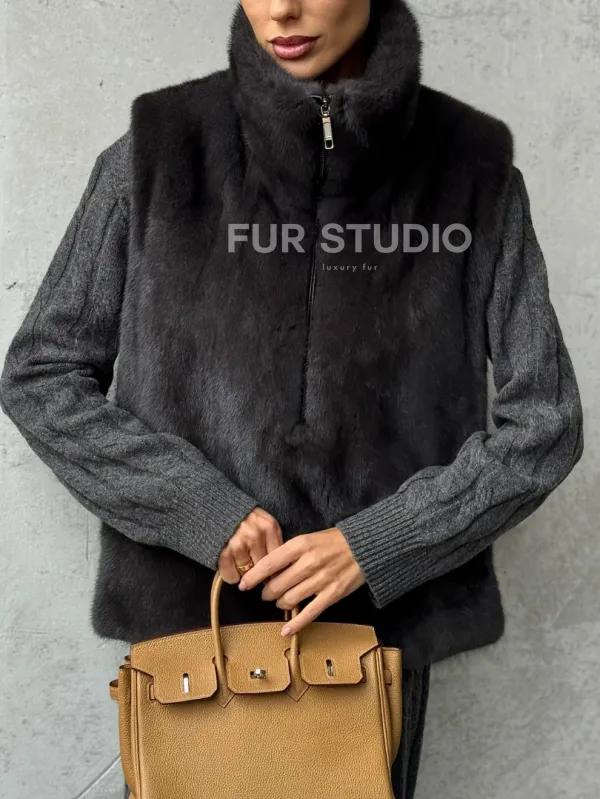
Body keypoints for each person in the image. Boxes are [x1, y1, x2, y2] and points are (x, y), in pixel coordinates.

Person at [0, 0, 584, 797]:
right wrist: (198, 508)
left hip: (369, 652)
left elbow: (546, 424)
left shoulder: (470, 177)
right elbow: (40, 374)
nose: (282, 8)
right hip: (192, 651)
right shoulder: (156, 157)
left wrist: (377, 543)